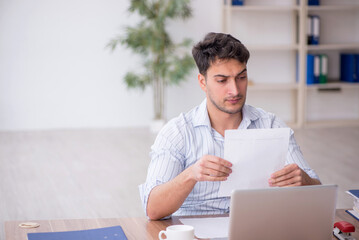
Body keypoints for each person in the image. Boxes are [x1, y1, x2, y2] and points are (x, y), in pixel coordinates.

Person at [139, 32, 321, 221]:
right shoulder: (177, 133)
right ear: (203, 82)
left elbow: (318, 195)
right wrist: (191, 174)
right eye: (222, 80)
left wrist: (303, 181)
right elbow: (153, 209)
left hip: (258, 227)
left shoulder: (271, 125)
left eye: (241, 77)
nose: (235, 90)